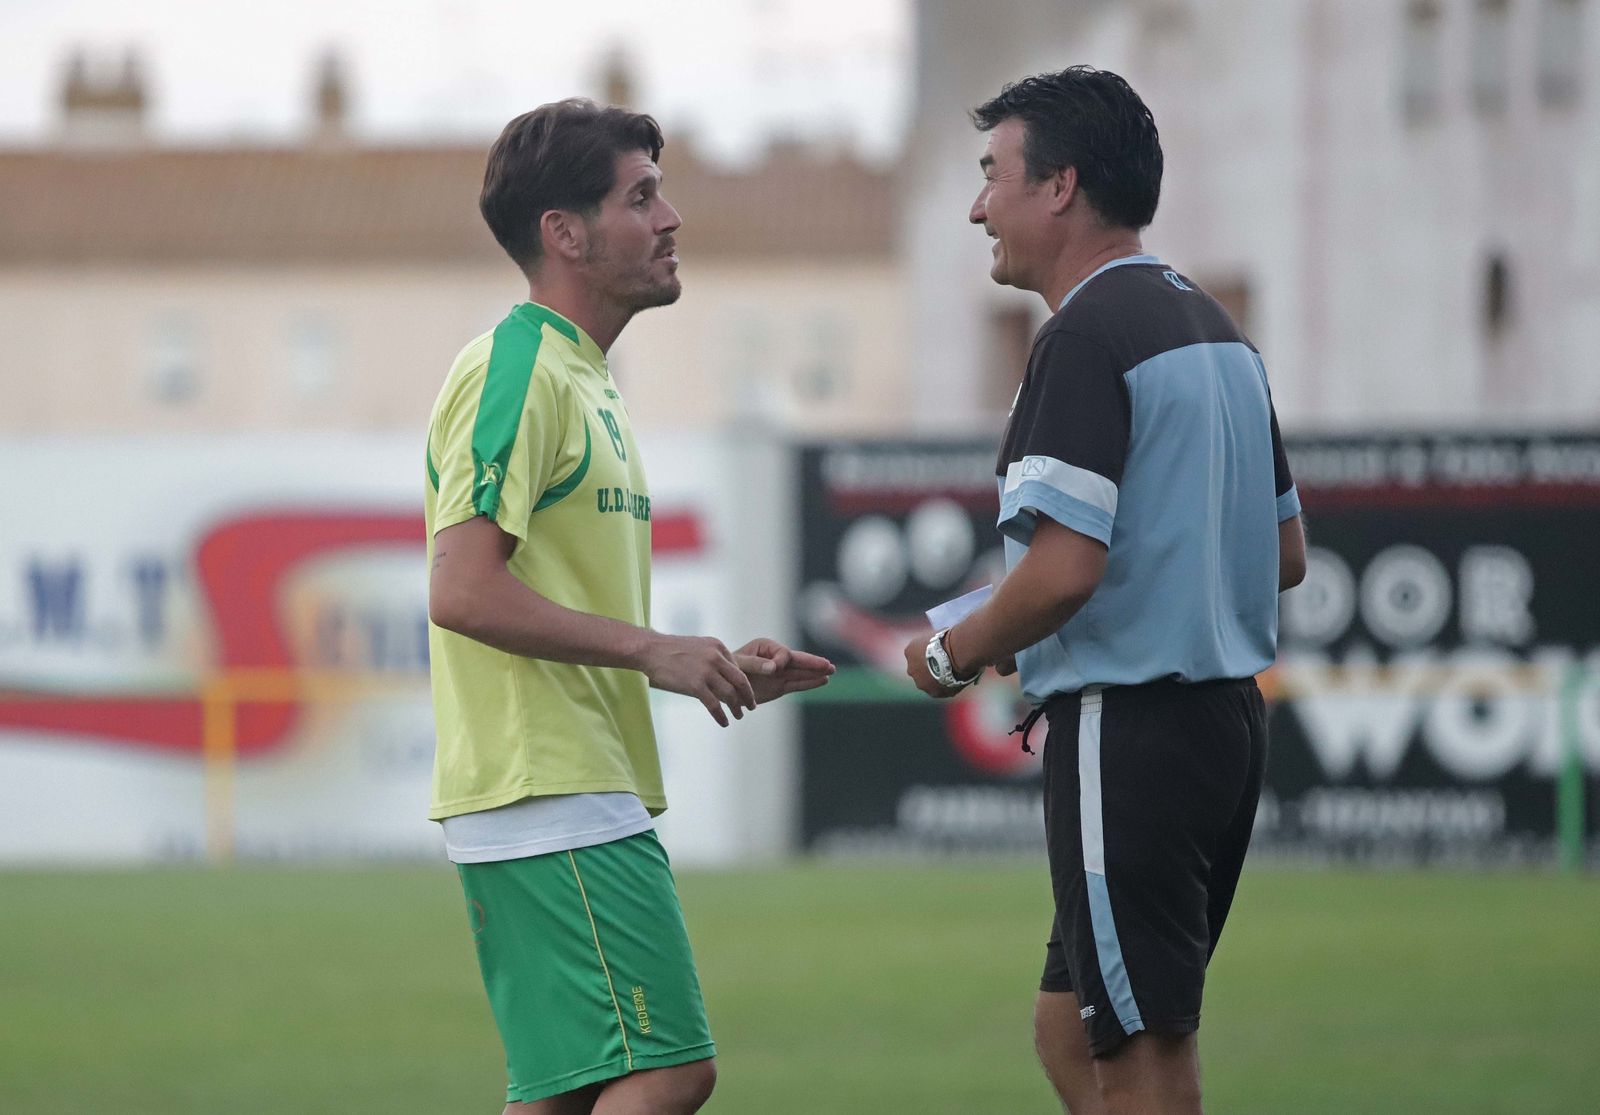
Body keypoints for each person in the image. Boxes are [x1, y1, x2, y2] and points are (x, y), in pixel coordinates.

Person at [903, 68, 1307, 1115]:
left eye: (992, 175)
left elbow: (1063, 568)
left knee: (1138, 1056)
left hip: (1129, 731)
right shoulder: (1216, 327)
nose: (976, 204)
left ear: (1060, 187)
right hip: (1223, 724)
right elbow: (1285, 551)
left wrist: (952, 651)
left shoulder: (1083, 335)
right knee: (1069, 1024)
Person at [425, 99, 834, 1115]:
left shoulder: (585, 377)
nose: (670, 217)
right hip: (544, 778)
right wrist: (652, 648)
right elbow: (461, 587)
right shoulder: (516, 365)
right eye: (639, 196)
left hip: (558, 779)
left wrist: (705, 660)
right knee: (667, 1066)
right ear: (564, 233)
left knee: (569, 1089)